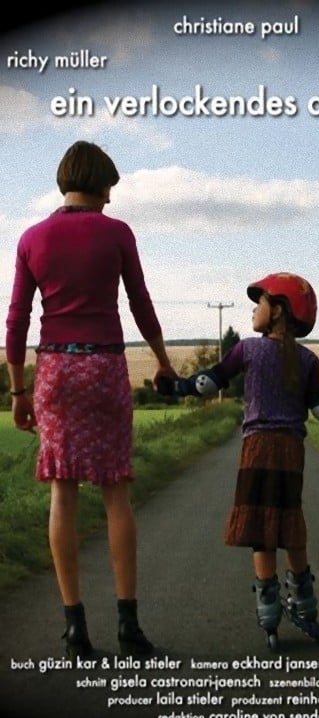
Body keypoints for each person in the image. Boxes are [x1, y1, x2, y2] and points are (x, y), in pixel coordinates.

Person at [5, 140, 178, 661]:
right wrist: (163, 361)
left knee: (63, 492)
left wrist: (17, 390)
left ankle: (75, 630)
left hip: (55, 371)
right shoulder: (117, 232)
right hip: (104, 367)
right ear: (101, 184)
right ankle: (129, 627)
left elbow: (16, 320)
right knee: (115, 492)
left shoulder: (32, 238)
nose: (110, 200)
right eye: (109, 190)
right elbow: (140, 302)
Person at [159, 272, 319, 649]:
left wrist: (174, 386)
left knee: (260, 528)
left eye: (260, 303)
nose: (253, 310)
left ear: (278, 311)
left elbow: (209, 382)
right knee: (290, 522)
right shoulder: (308, 360)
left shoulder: (248, 350)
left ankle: (269, 613)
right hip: (291, 450)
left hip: (256, 447)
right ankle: (304, 605)